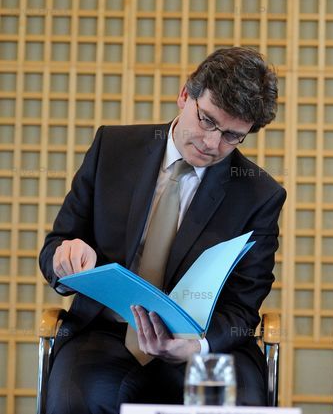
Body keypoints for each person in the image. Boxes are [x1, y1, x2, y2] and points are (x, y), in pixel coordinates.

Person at [38, 47, 286, 413]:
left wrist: (197, 346)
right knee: (78, 398)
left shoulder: (259, 194)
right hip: (107, 331)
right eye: (207, 120)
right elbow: (57, 244)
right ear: (185, 95)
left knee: (237, 402)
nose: (212, 143)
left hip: (202, 341)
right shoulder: (113, 149)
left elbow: (243, 306)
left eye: (233, 136)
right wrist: (65, 257)